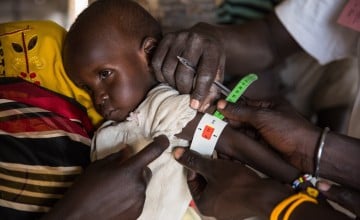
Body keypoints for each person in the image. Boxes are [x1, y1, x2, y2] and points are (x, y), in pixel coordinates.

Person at [62, 0, 300, 219]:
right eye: (87, 88)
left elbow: (233, 143)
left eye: (105, 74)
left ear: (149, 52)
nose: (98, 97)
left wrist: (297, 182)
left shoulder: (166, 107)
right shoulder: (104, 131)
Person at [152, 0, 360, 137]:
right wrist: (214, 38)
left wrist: (315, 145)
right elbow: (271, 40)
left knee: (346, 71)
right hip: (275, 74)